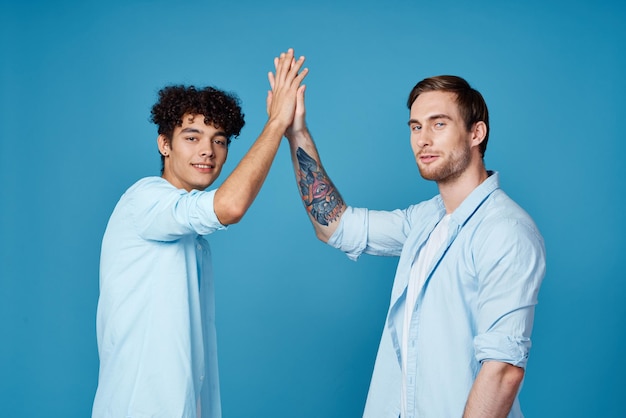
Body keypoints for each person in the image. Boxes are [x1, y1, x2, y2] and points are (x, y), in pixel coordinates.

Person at [281, 74, 546, 418]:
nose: (423, 139)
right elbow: (334, 225)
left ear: (476, 133)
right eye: (416, 127)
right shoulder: (423, 220)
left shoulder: (505, 231)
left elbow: (503, 371)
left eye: (439, 124)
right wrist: (295, 131)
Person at [92, 49, 307, 418]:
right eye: (192, 137)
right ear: (165, 144)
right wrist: (276, 124)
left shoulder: (194, 240)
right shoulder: (144, 200)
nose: (208, 151)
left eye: (219, 140)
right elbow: (229, 207)